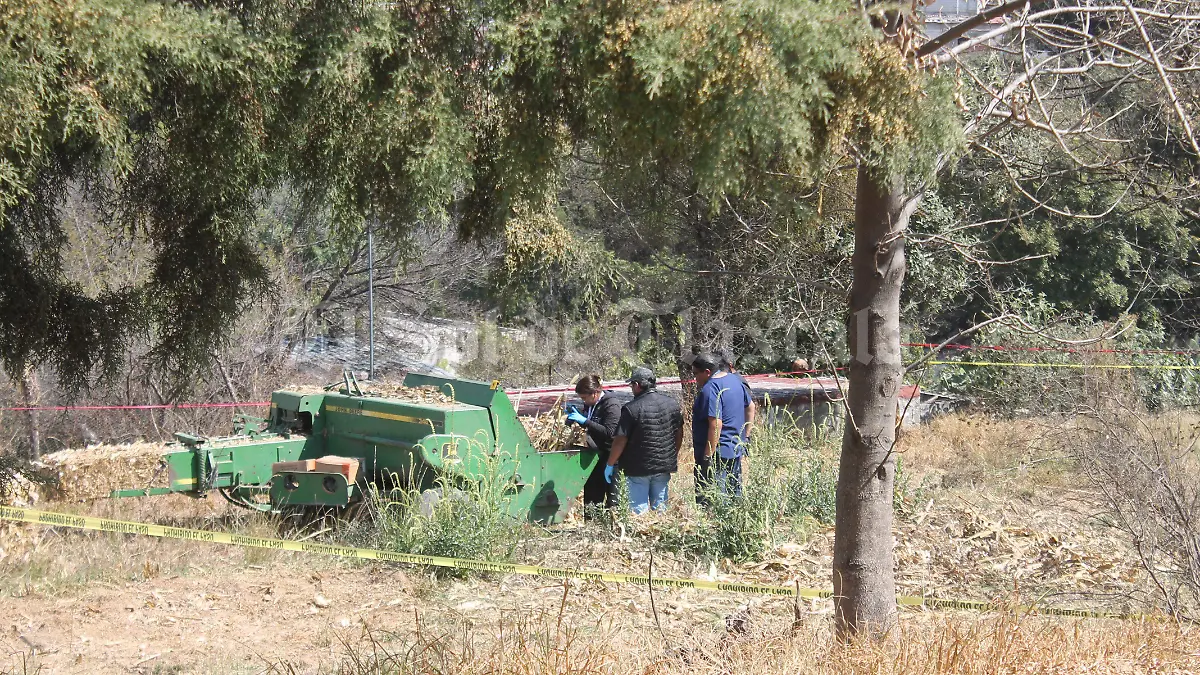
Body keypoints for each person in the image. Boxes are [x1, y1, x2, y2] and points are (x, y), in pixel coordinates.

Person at [603, 366, 683, 514]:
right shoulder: (672, 404)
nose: (632, 388)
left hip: (638, 469)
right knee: (661, 510)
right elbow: (679, 433)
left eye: (632, 384)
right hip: (663, 466)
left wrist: (610, 463)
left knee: (638, 512)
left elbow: (621, 440)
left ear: (638, 385)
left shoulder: (631, 409)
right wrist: (671, 455)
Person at [691, 352, 752, 500]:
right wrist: (746, 437)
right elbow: (750, 407)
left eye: (696, 374)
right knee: (734, 495)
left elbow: (716, 424)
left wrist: (707, 456)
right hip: (735, 447)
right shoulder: (735, 380)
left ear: (707, 372)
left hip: (717, 454)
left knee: (713, 499)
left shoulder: (710, 388)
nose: (695, 378)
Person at [566, 375, 622, 510]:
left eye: (584, 397)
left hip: (610, 457)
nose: (583, 401)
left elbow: (609, 432)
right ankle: (592, 527)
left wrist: (585, 421)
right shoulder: (590, 404)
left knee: (613, 501)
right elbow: (592, 424)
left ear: (595, 393)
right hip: (594, 455)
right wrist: (575, 419)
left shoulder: (611, 405)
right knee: (592, 500)